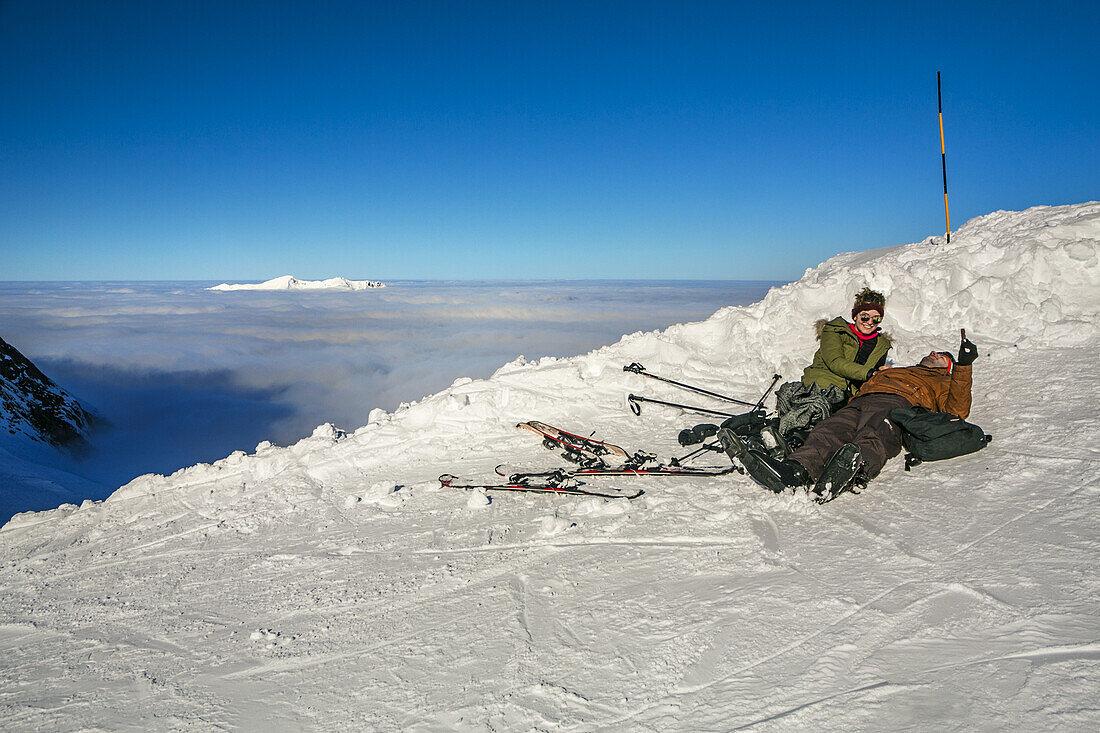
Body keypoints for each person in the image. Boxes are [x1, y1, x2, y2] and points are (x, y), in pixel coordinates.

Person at [722, 332, 978, 501]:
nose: (934, 354)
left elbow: (957, 410)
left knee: (874, 433)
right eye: (934, 352)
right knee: (827, 431)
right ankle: (794, 472)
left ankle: (853, 471)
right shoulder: (897, 370)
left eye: (941, 357)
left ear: (948, 368)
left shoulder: (944, 382)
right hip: (860, 402)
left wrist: (963, 366)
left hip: (898, 405)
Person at [801, 288, 893, 397]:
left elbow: (872, 375)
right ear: (855, 316)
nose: (869, 322)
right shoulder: (835, 330)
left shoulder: (881, 345)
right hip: (823, 385)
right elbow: (835, 362)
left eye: (876, 319)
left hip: (851, 395)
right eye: (864, 317)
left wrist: (881, 373)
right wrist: (869, 373)